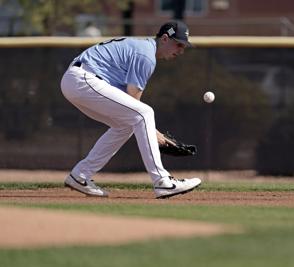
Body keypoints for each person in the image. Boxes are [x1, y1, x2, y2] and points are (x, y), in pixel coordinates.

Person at [61, 21, 201, 199]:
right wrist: (158, 136)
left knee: (125, 125)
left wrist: (155, 134)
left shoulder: (144, 49)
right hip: (83, 79)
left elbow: (132, 108)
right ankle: (163, 182)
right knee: (144, 113)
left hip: (78, 81)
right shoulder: (146, 56)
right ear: (165, 39)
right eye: (179, 44)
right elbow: (135, 101)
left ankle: (80, 175)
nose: (181, 50)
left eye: (184, 46)